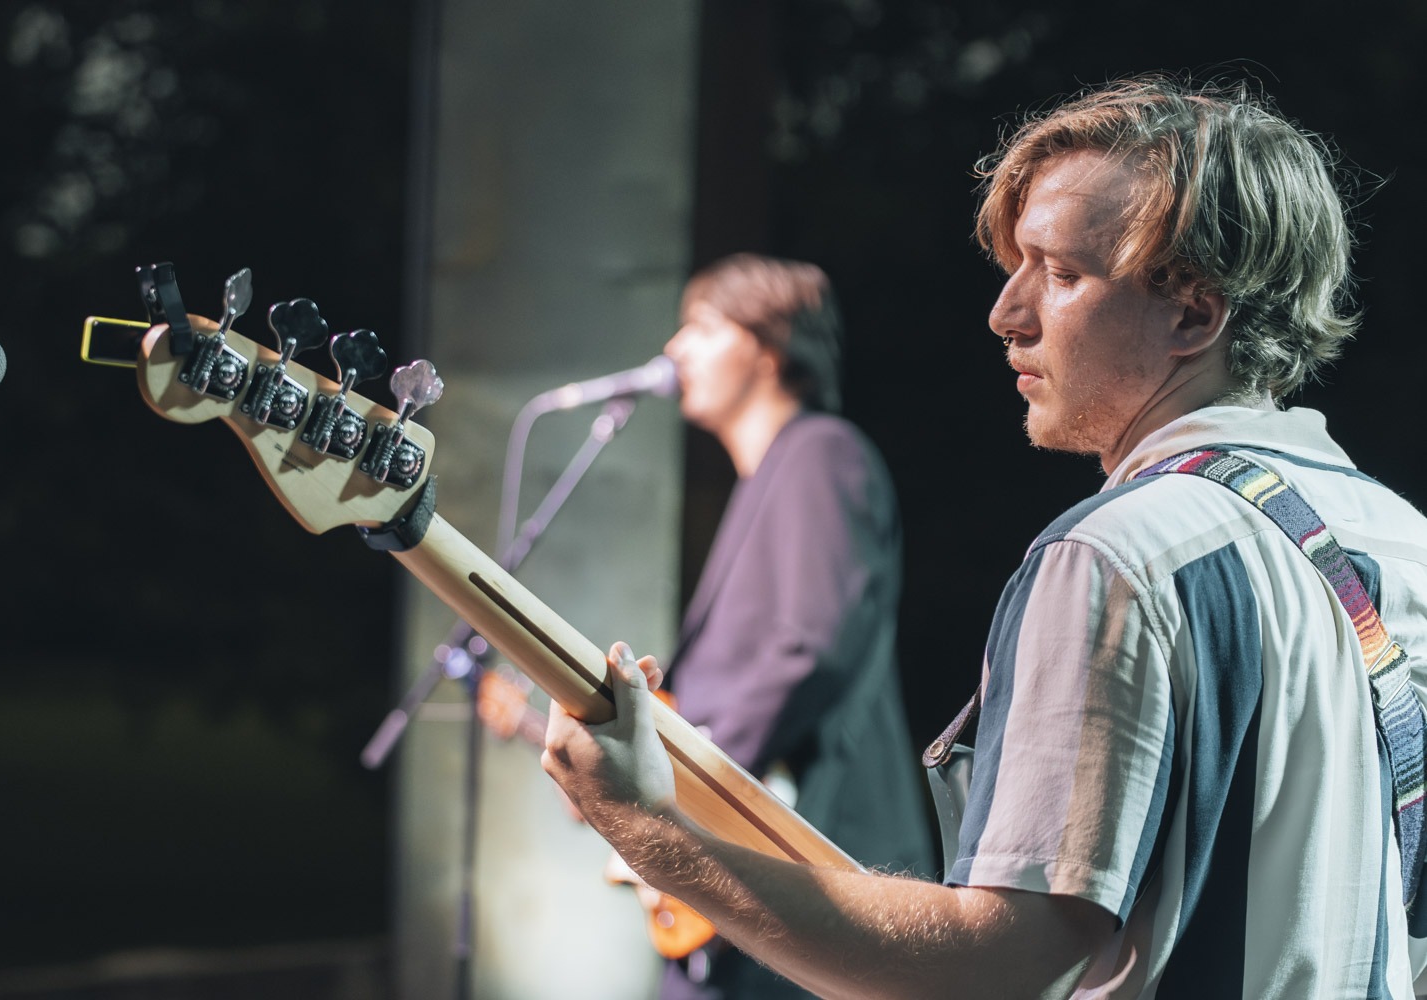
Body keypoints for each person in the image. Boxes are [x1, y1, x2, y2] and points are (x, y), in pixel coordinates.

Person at [541, 75, 1427, 998]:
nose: (1006, 313)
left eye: (1062, 273)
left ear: (1194, 314)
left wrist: (648, 830)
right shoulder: (1405, 542)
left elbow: (1005, 962)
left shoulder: (1117, 556)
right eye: (1016, 267)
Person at [635, 252, 934, 998]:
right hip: (761, 887)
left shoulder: (821, 453)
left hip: (815, 872)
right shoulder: (771, 479)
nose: (675, 348)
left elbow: (808, 646)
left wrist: (681, 798)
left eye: (703, 326)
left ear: (769, 349)